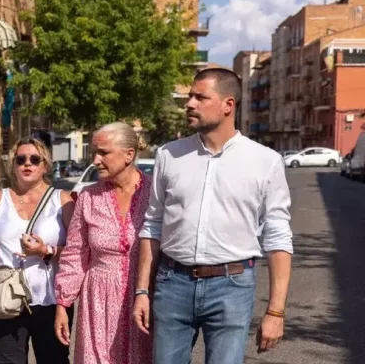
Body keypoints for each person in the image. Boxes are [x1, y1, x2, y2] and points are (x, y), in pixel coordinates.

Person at [133, 68, 293, 364]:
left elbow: (278, 237)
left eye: (200, 97)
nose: (189, 103)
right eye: (189, 96)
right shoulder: (169, 155)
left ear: (228, 105)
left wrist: (275, 311)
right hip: (173, 283)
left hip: (231, 287)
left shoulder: (265, 162)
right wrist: (142, 290)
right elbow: (152, 225)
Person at [0, 137, 75, 364]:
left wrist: (46, 249)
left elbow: (78, 252)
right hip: (7, 300)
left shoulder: (61, 200)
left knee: (54, 359)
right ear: (13, 165)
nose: (27, 164)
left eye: (35, 159)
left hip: (50, 300)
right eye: (21, 159)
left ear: (45, 165)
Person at [54, 122, 153, 364]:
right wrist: (62, 304)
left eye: (104, 153)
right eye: (94, 154)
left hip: (146, 296)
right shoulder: (88, 197)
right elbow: (76, 254)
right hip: (98, 299)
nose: (96, 160)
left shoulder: (156, 193)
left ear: (129, 154)